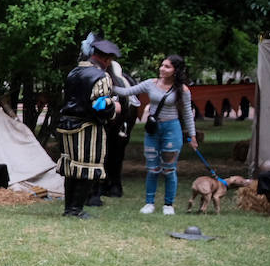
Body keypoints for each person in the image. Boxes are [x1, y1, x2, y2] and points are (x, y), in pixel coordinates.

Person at [112, 54, 198, 215]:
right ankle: (149, 203)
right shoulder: (151, 83)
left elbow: (187, 114)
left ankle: (168, 204)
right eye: (162, 65)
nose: (162, 68)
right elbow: (126, 91)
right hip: (153, 130)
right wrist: (106, 82)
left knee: (169, 169)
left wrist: (192, 136)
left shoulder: (183, 90)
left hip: (172, 129)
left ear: (175, 71)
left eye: (167, 66)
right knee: (152, 169)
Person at [57, 38, 121, 218]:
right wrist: (114, 108)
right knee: (87, 168)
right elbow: (100, 106)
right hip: (87, 128)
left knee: (71, 169)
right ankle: (76, 210)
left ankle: (69, 208)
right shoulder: (102, 77)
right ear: (106, 59)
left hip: (67, 125)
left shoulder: (74, 72)